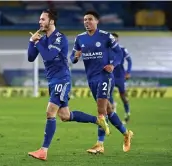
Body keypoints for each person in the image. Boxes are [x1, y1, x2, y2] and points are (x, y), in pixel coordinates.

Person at [27, 9, 109, 161]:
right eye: (40, 19)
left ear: (51, 21)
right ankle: (98, 120)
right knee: (65, 116)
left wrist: (37, 42)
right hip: (52, 80)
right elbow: (31, 57)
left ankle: (43, 150)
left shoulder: (60, 38)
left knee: (50, 112)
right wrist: (31, 42)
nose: (40, 22)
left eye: (43, 19)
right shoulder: (43, 40)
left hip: (61, 79)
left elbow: (49, 55)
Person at [70, 11, 134, 154]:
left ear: (97, 21)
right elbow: (72, 57)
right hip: (91, 78)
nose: (87, 22)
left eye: (90, 19)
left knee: (101, 110)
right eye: (85, 20)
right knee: (109, 110)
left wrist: (113, 65)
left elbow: (119, 53)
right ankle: (126, 133)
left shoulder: (106, 36)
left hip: (105, 76)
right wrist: (75, 57)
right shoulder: (80, 38)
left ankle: (100, 144)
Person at [111, 33, 132, 124]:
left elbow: (129, 60)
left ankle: (127, 113)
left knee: (123, 96)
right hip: (110, 75)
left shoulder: (123, 49)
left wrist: (128, 72)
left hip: (120, 76)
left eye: (115, 39)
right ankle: (113, 107)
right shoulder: (106, 50)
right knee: (107, 93)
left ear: (118, 40)